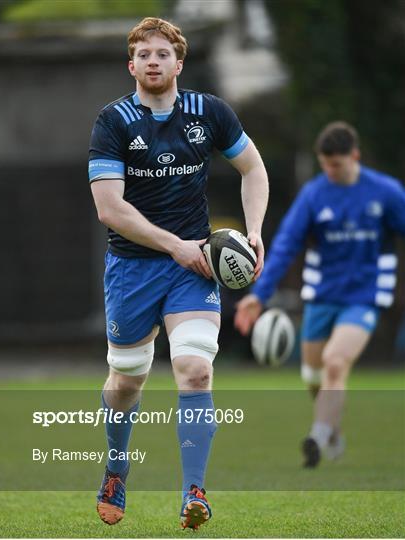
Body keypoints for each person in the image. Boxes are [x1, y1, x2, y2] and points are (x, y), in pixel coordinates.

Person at [88, 17, 269, 529]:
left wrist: (253, 231)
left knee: (195, 369)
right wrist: (175, 247)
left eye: (162, 53)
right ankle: (117, 467)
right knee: (128, 379)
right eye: (143, 53)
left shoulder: (209, 112)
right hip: (133, 268)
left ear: (178, 63)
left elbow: (253, 169)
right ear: (131, 64)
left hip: (194, 270)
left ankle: (195, 491)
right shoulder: (114, 121)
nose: (152, 60)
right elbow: (109, 208)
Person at [234, 121, 405, 467]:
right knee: (313, 376)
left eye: (336, 164)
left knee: (336, 362)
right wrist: (259, 294)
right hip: (321, 296)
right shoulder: (314, 194)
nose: (329, 171)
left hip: (364, 298)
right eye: (324, 164)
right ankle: (331, 430)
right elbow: (284, 245)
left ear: (353, 156)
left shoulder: (385, 193)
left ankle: (315, 435)